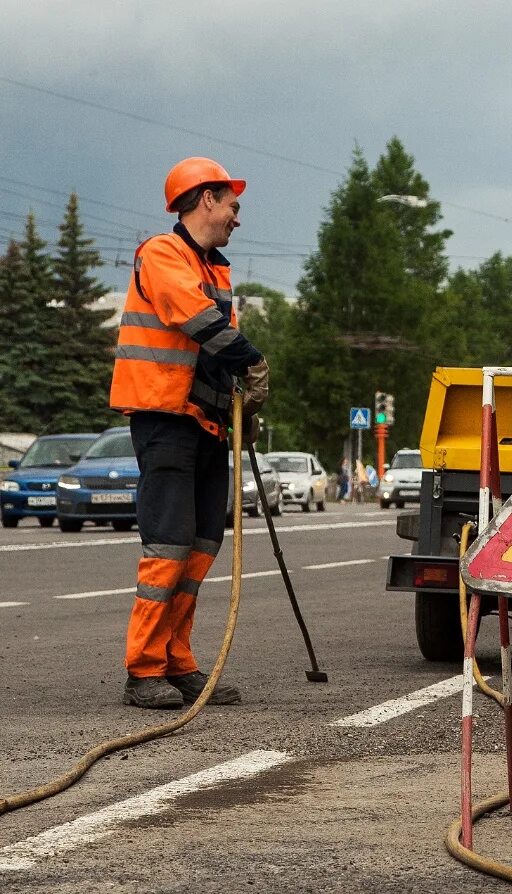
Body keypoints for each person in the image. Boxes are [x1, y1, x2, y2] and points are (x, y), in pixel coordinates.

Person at [109, 157, 269, 709]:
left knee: (201, 547)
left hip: (205, 422)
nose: (235, 217)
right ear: (205, 200)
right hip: (166, 419)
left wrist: (241, 407)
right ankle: (143, 669)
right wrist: (252, 360)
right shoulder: (162, 255)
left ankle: (177, 662)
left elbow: (214, 354)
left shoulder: (216, 269)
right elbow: (195, 319)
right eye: (232, 205)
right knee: (169, 548)